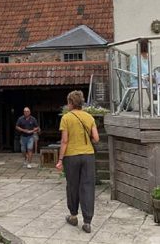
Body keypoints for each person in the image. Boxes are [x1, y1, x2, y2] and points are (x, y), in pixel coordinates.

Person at [56, 90, 99, 234]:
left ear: (71, 103)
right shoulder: (89, 117)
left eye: (68, 102)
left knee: (72, 186)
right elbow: (96, 138)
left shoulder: (66, 118)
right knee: (87, 187)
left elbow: (64, 141)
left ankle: (73, 216)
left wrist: (60, 159)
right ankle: (87, 221)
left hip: (71, 156)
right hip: (88, 156)